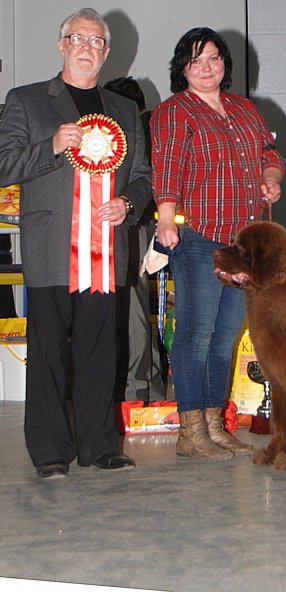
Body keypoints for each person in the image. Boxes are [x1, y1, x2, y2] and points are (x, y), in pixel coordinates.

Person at [0, 7, 152, 478]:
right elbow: (5, 166)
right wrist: (50, 146)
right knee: (47, 351)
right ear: (61, 44)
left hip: (106, 251)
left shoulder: (125, 109)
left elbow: (144, 177)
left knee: (101, 350)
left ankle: (100, 444)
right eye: (79, 38)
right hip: (51, 248)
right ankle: (48, 451)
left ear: (107, 51)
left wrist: (128, 204)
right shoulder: (25, 100)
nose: (88, 47)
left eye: (97, 41)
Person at [151, 26, 285, 460]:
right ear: (182, 69)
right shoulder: (175, 112)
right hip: (199, 239)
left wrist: (270, 178)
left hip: (243, 242)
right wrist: (167, 220)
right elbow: (166, 168)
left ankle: (214, 424)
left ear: (224, 63)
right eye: (196, 61)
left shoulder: (244, 109)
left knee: (226, 335)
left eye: (213, 58)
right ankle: (190, 432)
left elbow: (270, 153)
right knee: (195, 334)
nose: (206, 68)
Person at [103, 77, 165, 405]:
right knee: (133, 313)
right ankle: (144, 388)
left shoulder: (140, 130)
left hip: (135, 227)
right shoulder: (148, 128)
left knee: (133, 314)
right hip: (133, 226)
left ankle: (138, 392)